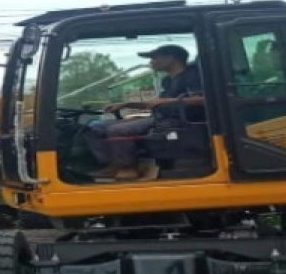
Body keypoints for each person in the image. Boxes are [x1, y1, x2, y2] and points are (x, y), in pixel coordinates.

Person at [87, 44, 203, 181]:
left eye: (154, 58)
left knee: (118, 130)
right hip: (159, 118)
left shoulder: (193, 76)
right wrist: (126, 104)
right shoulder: (167, 81)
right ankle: (112, 165)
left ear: (171, 58)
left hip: (179, 122)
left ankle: (127, 168)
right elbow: (154, 103)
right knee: (95, 127)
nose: (151, 62)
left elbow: (204, 99)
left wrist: (166, 101)